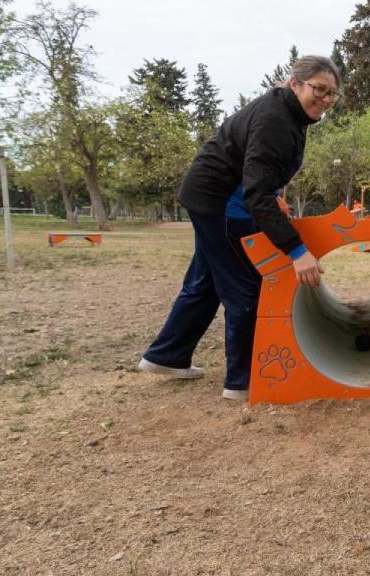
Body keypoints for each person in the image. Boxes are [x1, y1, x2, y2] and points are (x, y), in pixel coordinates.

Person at [138, 55, 341, 401]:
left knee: (205, 283)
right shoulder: (276, 120)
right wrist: (297, 250)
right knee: (245, 288)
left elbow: (257, 173)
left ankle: (166, 356)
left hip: (214, 196)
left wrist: (272, 193)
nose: (324, 99)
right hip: (221, 205)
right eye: (318, 89)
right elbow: (256, 193)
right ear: (295, 83)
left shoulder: (287, 114)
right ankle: (243, 382)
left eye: (331, 94)